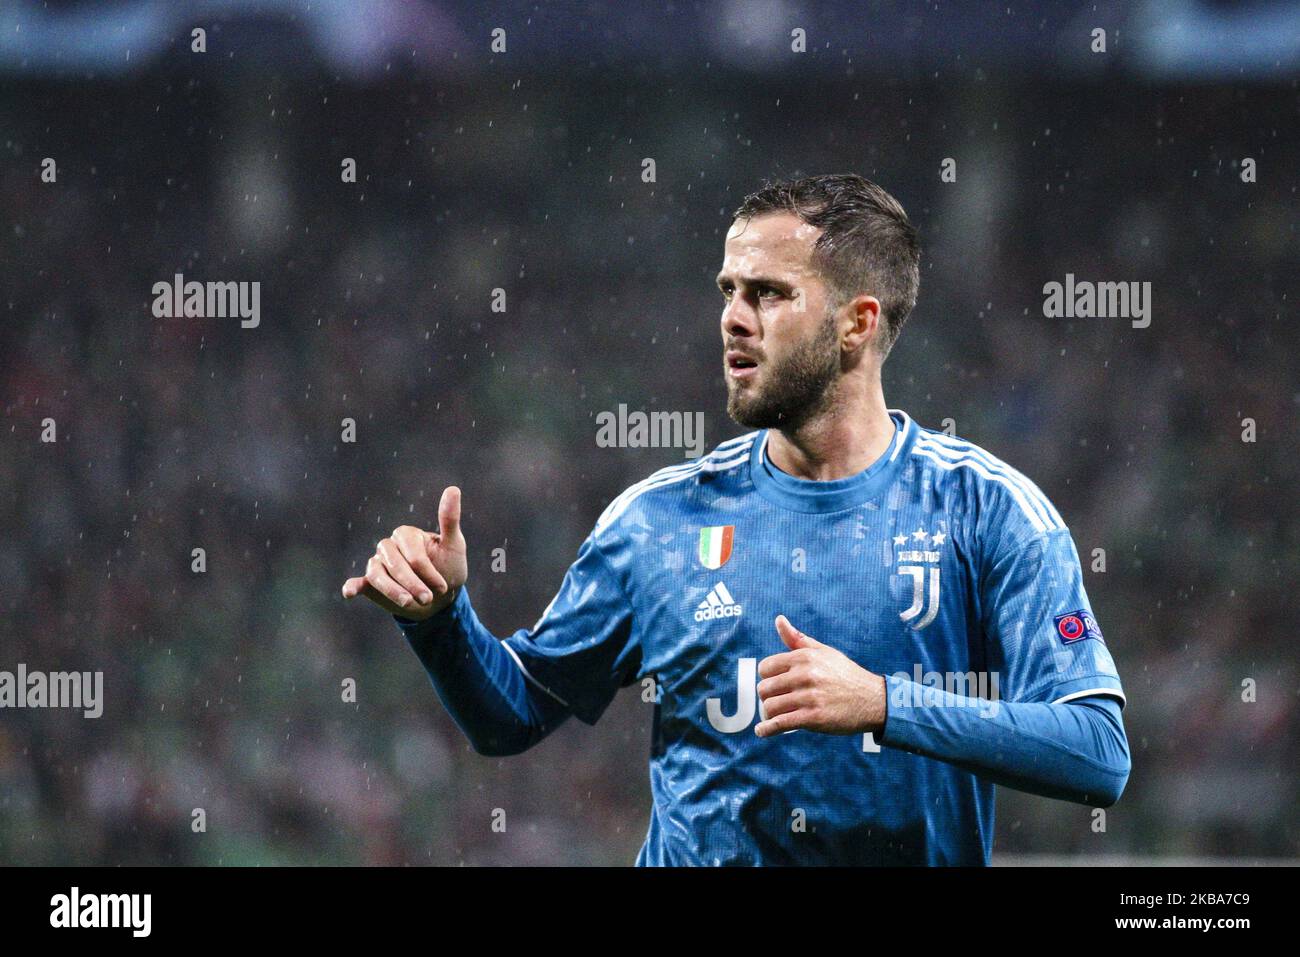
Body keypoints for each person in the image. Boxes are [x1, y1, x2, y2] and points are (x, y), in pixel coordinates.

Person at [342, 174, 1131, 865]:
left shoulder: (987, 513)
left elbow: (1098, 753)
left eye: (769, 293)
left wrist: (885, 705)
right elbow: (512, 714)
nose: (733, 318)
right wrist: (443, 621)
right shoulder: (657, 522)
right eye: (728, 290)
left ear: (858, 323)